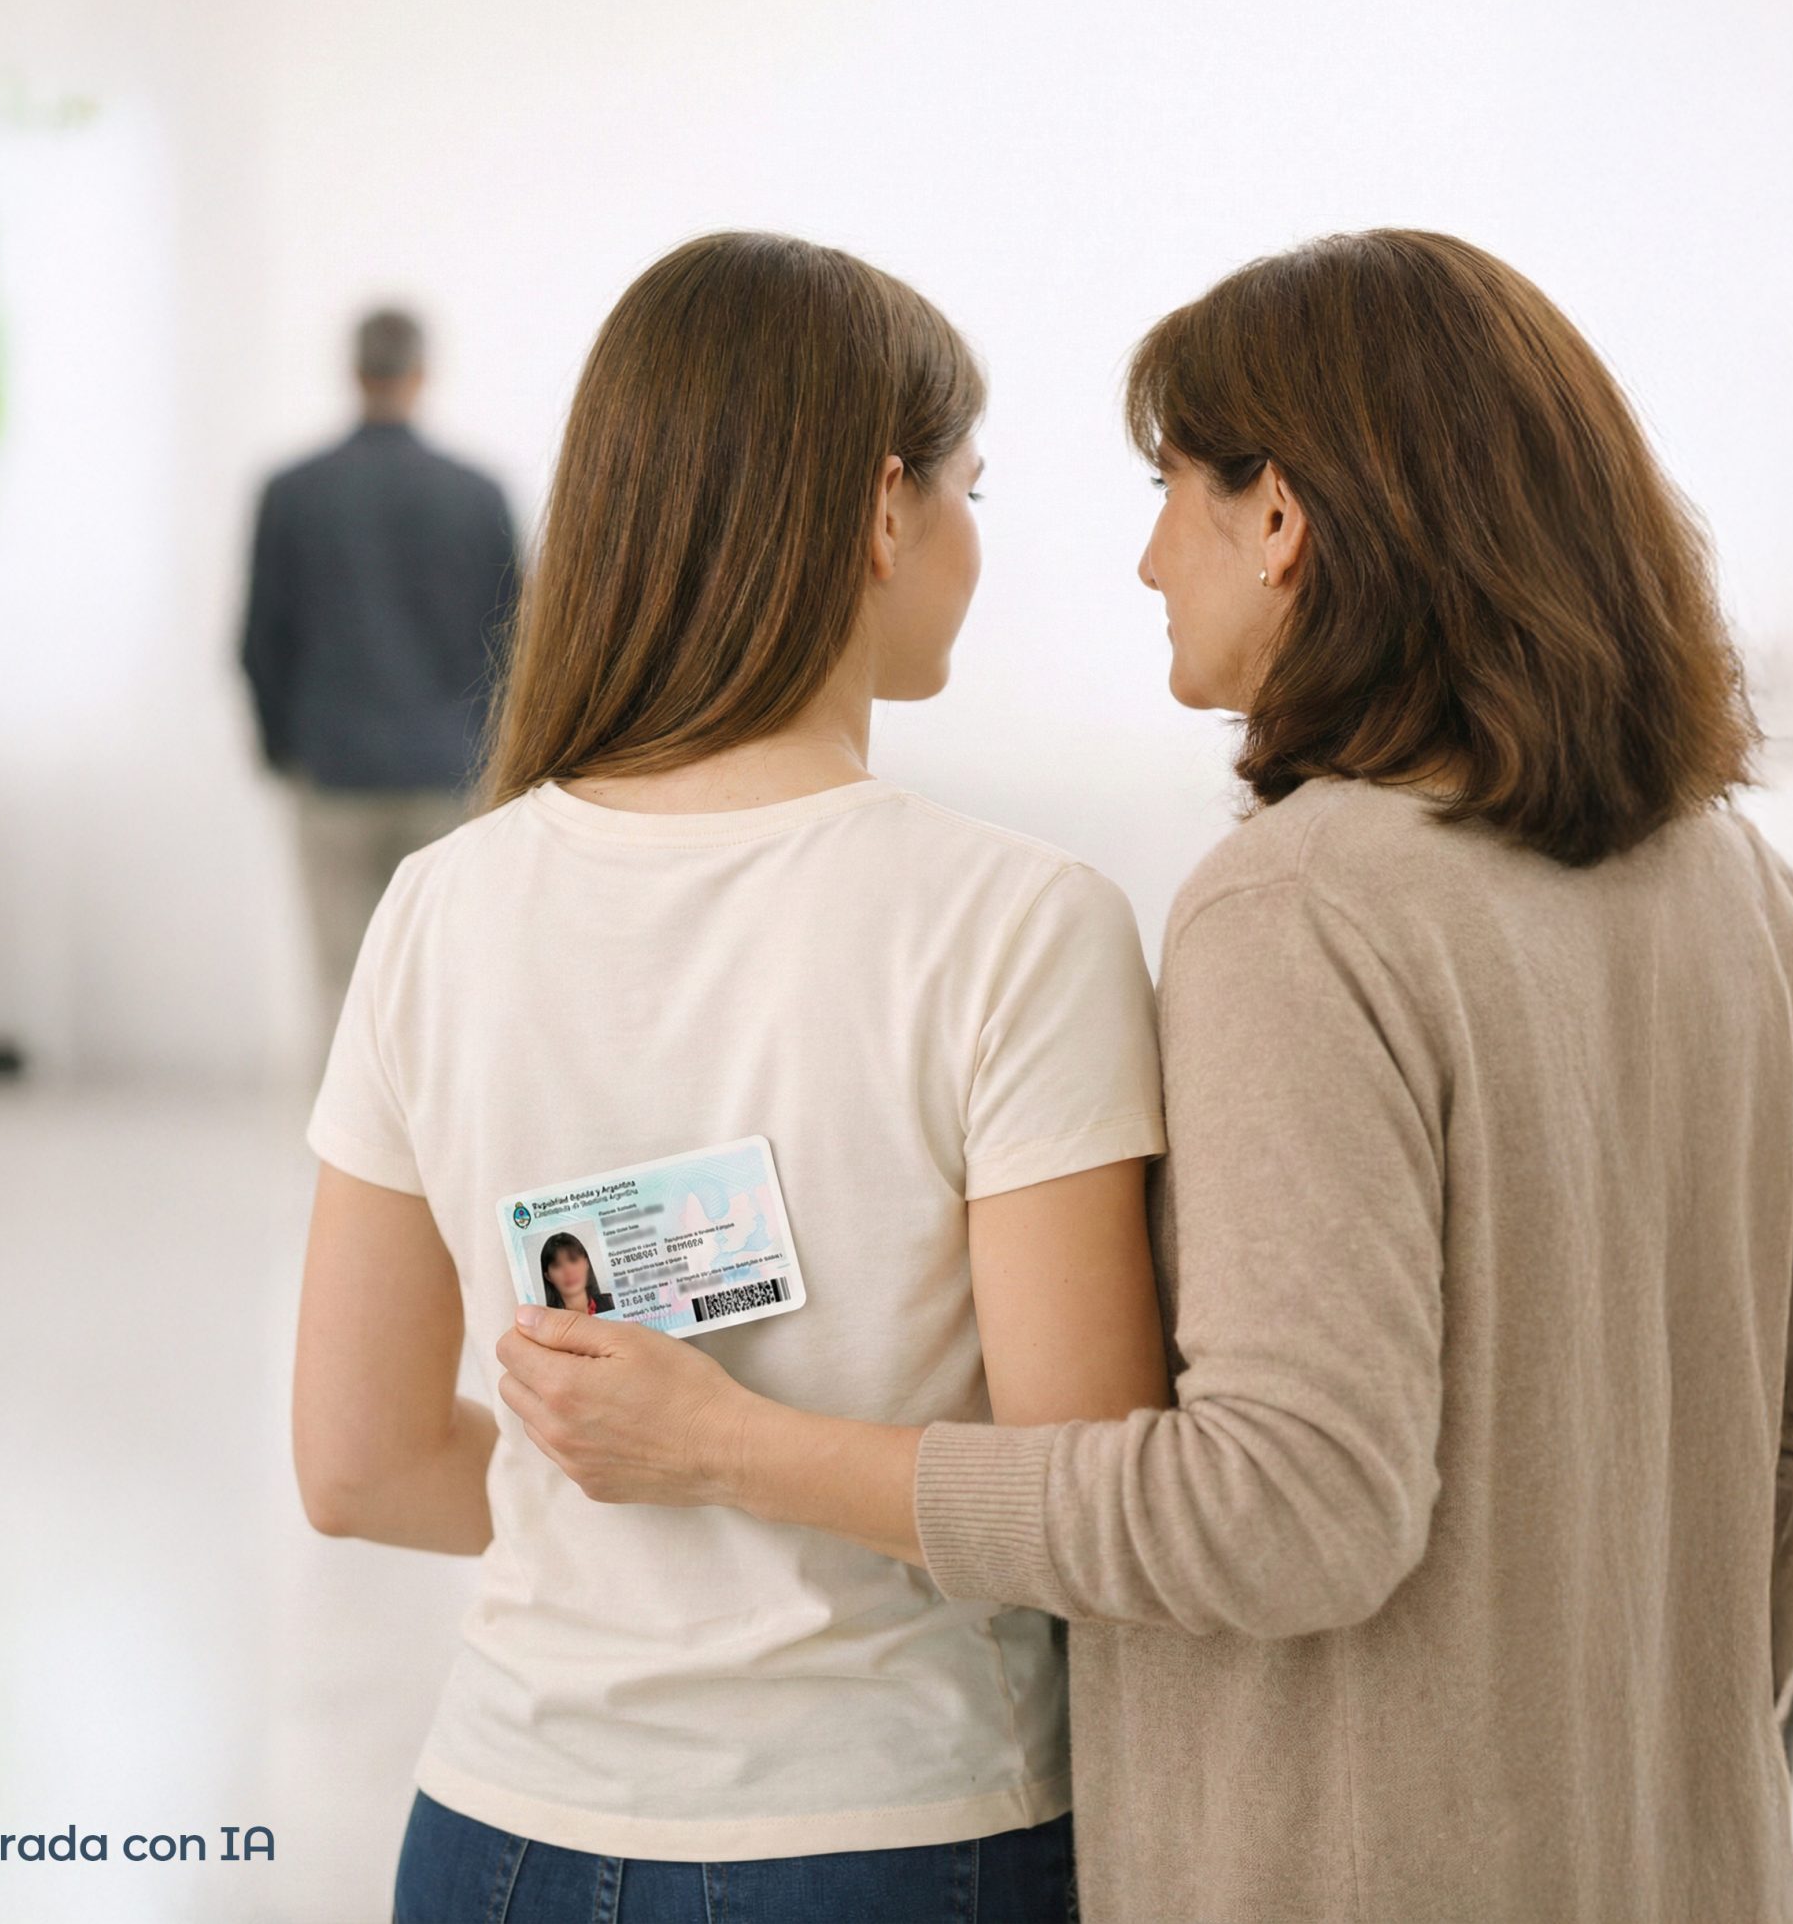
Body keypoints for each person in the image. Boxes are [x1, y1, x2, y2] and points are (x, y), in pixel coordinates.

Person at [497, 231, 1793, 1923]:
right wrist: (1650, 1746)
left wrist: (741, 1450)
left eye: (1172, 488)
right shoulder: (1752, 896)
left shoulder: (1302, 907)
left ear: (1282, 517)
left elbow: (1285, 1507)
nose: (1149, 557)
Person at [289, 233, 1171, 1923]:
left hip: (496, 1831)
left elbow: (355, 1464)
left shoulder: (439, 908)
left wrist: (637, 1500)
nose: (978, 541)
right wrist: (726, 1460)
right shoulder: (1021, 923)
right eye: (969, 487)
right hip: (902, 1833)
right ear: (879, 512)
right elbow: (1090, 1497)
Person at [240, 307, 522, 1023]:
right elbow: (515, 640)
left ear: (353, 371)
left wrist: (286, 751)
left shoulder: (294, 492)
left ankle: (345, 1138)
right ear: (422, 374)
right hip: (449, 773)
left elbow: (258, 641)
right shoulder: (476, 494)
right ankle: (441, 1137)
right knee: (444, 985)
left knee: (344, 986)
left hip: (333, 768)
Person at [535, 1233, 611, 1316]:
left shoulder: (612, 1302)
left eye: (573, 1260)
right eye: (557, 1265)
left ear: (586, 1263)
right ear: (548, 1276)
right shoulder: (548, 1321)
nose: (568, 1271)